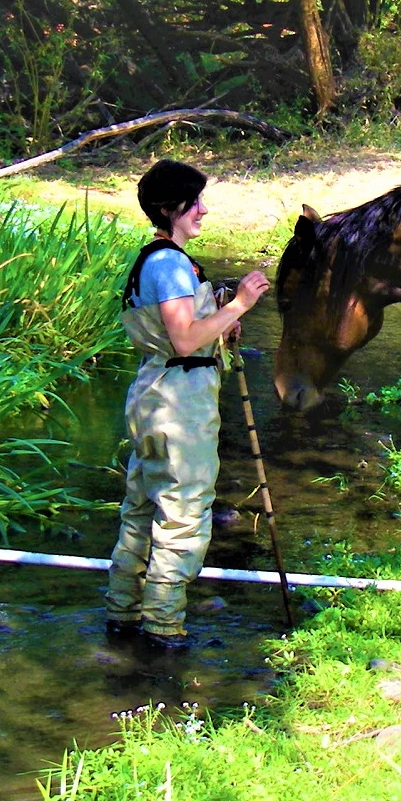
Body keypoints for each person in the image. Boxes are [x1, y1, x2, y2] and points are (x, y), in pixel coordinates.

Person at [105, 160, 270, 653]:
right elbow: (183, 341)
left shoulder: (152, 259)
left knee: (140, 508)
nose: (202, 208)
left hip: (152, 395)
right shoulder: (171, 264)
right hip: (180, 404)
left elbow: (181, 333)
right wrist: (239, 304)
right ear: (166, 208)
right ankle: (163, 632)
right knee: (182, 513)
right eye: (193, 200)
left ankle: (122, 616)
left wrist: (219, 319)